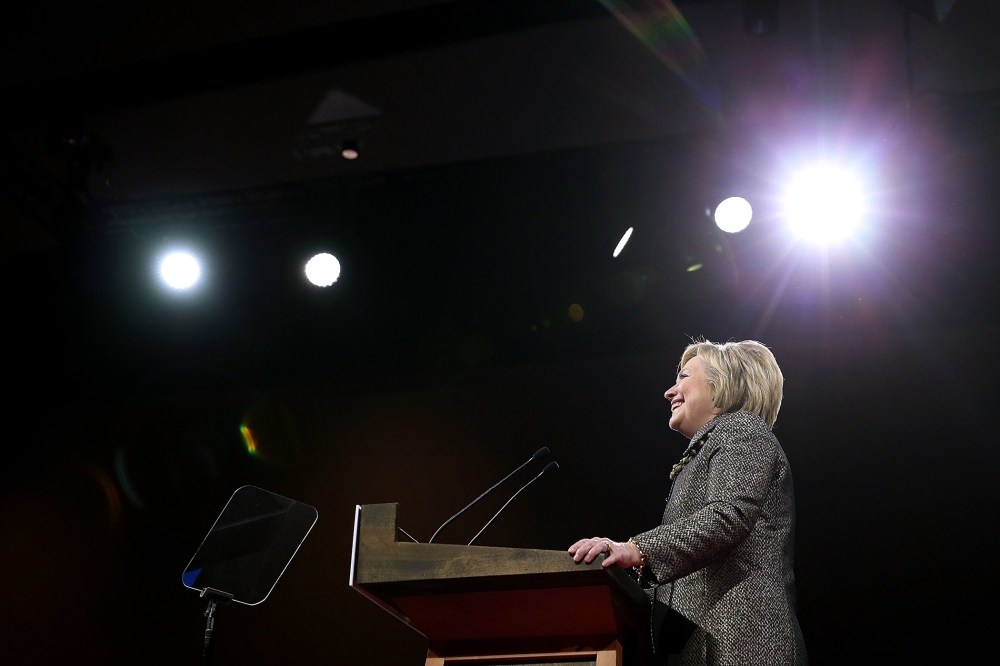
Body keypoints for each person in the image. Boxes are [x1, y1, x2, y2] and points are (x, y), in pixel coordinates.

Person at [569, 339, 807, 665]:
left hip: (740, 645)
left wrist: (636, 550)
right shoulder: (710, 446)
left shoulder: (741, 429)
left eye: (683, 377)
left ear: (721, 385)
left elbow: (728, 516)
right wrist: (613, 585)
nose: (670, 391)